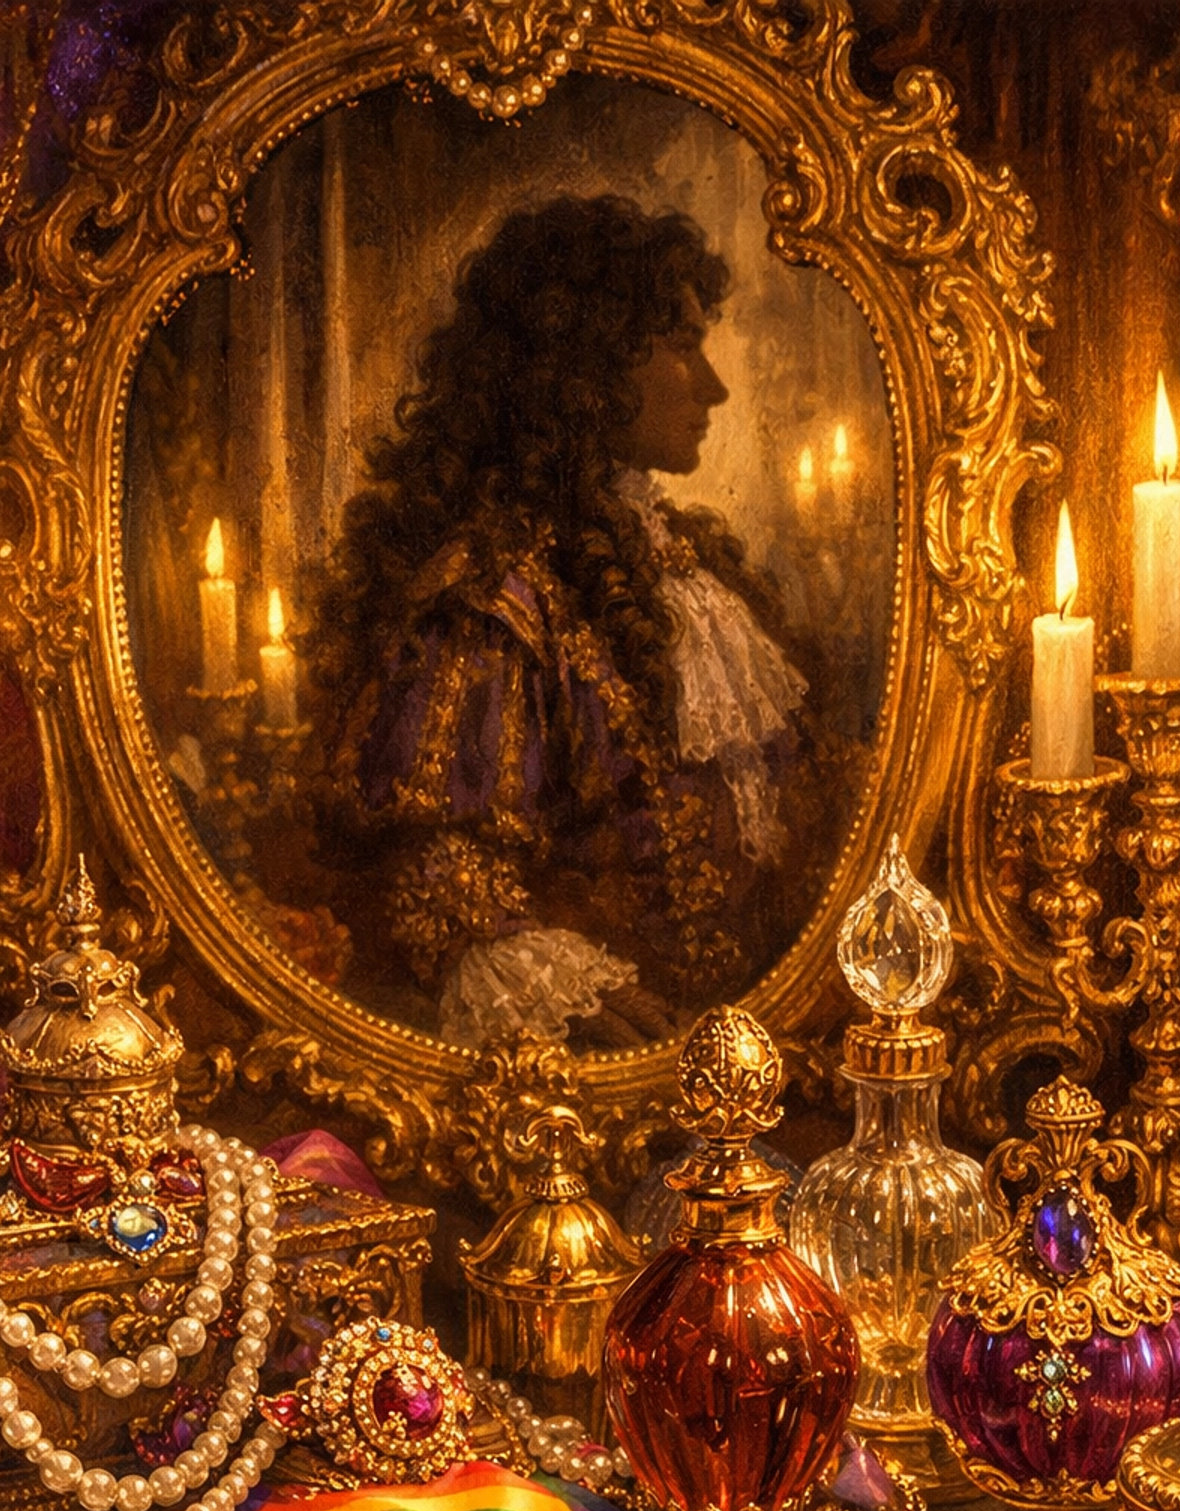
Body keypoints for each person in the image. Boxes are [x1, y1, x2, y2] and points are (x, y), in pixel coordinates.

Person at [310, 194, 831, 1049]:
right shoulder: (495, 601)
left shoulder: (698, 569)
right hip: (604, 1086)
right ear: (586, 368)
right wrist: (550, 985)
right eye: (679, 346)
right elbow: (441, 873)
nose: (714, 386)